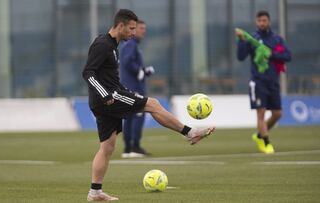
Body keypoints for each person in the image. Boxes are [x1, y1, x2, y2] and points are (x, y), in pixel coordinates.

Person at [82, 9, 215, 201]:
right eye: (131, 28)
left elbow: (109, 77)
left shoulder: (113, 45)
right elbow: (88, 73)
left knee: (107, 147)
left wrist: (123, 90)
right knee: (152, 104)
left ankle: (94, 192)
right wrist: (106, 94)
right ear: (120, 26)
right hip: (107, 99)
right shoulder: (103, 44)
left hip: (108, 97)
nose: (134, 33)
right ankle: (190, 132)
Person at [236, 10, 291, 154]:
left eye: (264, 21)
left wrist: (272, 54)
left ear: (269, 22)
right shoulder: (252, 38)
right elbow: (241, 57)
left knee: (277, 114)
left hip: (273, 81)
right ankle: (266, 142)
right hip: (258, 81)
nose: (262, 23)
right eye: (259, 21)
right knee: (260, 113)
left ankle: (259, 134)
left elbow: (288, 55)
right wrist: (241, 41)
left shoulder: (277, 39)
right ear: (256, 22)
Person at [119, 20, 154, 158]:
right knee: (138, 115)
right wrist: (139, 71)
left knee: (129, 117)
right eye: (140, 28)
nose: (143, 31)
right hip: (134, 87)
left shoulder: (130, 44)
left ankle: (128, 148)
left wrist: (144, 71)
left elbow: (126, 63)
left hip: (129, 86)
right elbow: (127, 62)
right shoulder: (131, 44)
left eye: (144, 28)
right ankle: (134, 147)